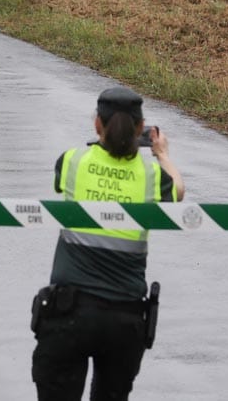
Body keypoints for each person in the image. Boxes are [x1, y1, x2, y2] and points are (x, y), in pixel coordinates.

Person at [31, 86, 185, 401]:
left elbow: (69, 173)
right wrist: (162, 154)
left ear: (97, 124)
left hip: (68, 315)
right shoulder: (151, 174)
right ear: (141, 129)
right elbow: (179, 190)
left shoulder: (72, 161)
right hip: (124, 321)